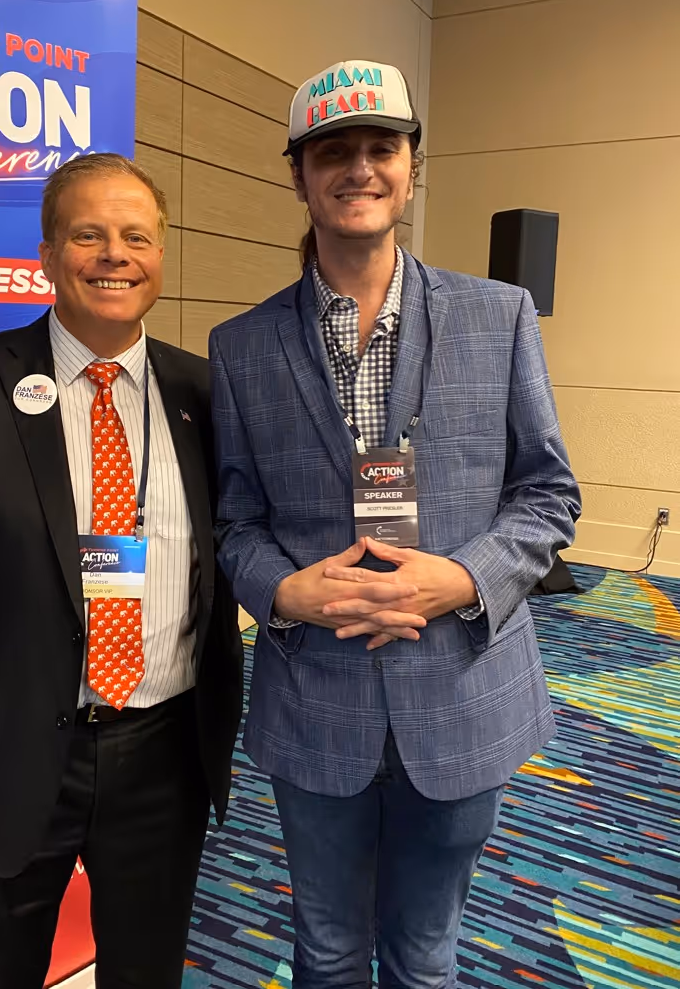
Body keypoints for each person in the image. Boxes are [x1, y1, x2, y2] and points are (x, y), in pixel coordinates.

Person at [209, 60, 580, 989]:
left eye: (383, 147)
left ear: (413, 166)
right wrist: (281, 590)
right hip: (313, 700)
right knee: (328, 952)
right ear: (297, 174)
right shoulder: (242, 348)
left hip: (461, 690)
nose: (360, 168)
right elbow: (235, 521)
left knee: (426, 957)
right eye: (333, 151)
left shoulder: (499, 318)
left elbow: (548, 495)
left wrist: (460, 578)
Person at [0, 153, 243, 989]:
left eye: (136, 237)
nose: (115, 254)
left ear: (161, 257)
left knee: (145, 974)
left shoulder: (205, 394)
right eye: (88, 235)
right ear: (46, 253)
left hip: (164, 755)